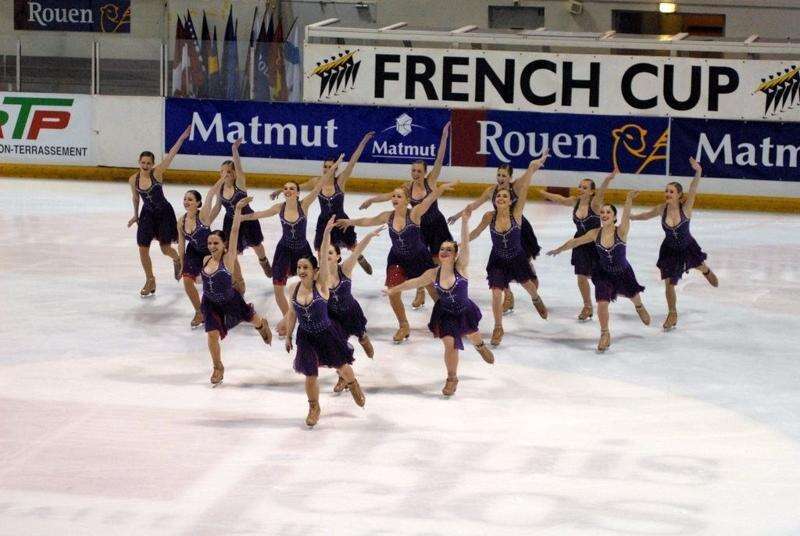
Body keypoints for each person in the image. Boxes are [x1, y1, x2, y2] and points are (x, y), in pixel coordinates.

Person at [385, 208, 494, 396]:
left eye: (449, 250)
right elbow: (413, 283)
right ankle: (452, 378)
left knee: (472, 334)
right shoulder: (432, 273)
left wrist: (465, 222)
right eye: (442, 249)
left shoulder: (461, 267)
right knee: (450, 344)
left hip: (464, 310)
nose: (444, 252)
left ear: (455, 254)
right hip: (445, 314)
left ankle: (480, 346)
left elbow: (465, 243)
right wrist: (393, 290)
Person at [336, 181, 458, 343]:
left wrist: (440, 189)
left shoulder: (414, 214)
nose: (394, 198)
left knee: (433, 291)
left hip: (419, 258)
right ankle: (404, 326)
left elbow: (428, 201)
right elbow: (369, 220)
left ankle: (446, 318)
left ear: (407, 200)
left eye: (399, 196)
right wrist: (350, 222)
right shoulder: (388, 216)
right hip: (397, 258)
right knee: (393, 291)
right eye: (393, 196)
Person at [283, 217, 366, 427]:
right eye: (299, 267)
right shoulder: (292, 288)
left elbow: (322, 257)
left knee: (342, 366)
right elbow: (292, 313)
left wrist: (327, 232)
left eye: (306, 267)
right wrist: (288, 335)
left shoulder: (321, 285)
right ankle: (314, 407)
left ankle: (353, 383)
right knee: (310, 374)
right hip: (306, 336)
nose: (301, 271)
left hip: (326, 334)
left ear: (315, 271)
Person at [359, 122, 452, 309]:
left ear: (425, 172)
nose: (416, 174)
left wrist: (444, 136)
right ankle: (420, 292)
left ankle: (439, 291)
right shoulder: (407, 187)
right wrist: (372, 200)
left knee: (435, 262)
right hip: (418, 227)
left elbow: (440, 158)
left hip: (437, 226)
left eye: (419, 171)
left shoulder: (431, 181)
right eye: (413, 170)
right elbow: (389, 195)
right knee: (422, 261)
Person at [548, 191, 650, 352]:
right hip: (603, 273)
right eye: (602, 212)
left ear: (614, 217)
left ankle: (639, 307)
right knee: (602, 303)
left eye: (608, 212)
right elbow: (575, 242)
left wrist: (629, 199)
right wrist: (559, 249)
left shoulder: (621, 231)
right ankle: (605, 334)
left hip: (623, 272)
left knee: (633, 296)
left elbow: (626, 215)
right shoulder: (595, 233)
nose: (604, 214)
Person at [240, 157, 341, 321]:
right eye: (285, 188)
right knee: (278, 286)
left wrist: (334, 167)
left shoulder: (304, 205)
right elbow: (258, 214)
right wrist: (242, 217)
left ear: (298, 193)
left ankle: (322, 310)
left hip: (302, 249)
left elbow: (321, 183)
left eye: (292, 188)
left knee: (316, 280)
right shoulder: (279, 208)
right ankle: (288, 319)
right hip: (284, 250)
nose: (288, 190)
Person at [468, 154, 550, 346]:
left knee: (528, 285)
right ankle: (498, 327)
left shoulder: (517, 214)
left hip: (517, 258)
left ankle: (536, 299)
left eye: (505, 196)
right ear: (495, 200)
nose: (501, 197)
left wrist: (532, 167)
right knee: (496, 292)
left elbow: (525, 187)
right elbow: (476, 232)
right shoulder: (489, 216)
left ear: (510, 200)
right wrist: (462, 243)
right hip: (497, 259)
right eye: (499, 196)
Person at [447, 162, 548, 314]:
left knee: (522, 265)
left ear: (510, 177)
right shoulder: (491, 192)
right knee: (500, 263)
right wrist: (457, 216)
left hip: (519, 229)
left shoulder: (516, 187)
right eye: (499, 175)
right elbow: (474, 205)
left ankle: (528, 276)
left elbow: (529, 175)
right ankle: (508, 296)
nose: (500, 178)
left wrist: (536, 163)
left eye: (504, 175)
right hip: (499, 229)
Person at [630, 157, 718, 330]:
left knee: (697, 265)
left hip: (687, 247)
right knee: (669, 282)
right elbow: (647, 215)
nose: (667, 194)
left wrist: (698, 171)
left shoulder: (686, 208)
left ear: (679, 195)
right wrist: (631, 217)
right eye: (666, 191)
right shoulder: (661, 209)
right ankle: (672, 313)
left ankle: (705, 270)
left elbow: (693, 188)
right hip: (669, 250)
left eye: (671, 192)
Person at [270, 132, 376, 274]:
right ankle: (322, 274)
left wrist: (364, 141)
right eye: (325, 166)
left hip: (340, 219)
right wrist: (280, 190)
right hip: (324, 221)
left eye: (329, 167)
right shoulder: (316, 182)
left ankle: (360, 257)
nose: (326, 169)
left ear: (335, 168)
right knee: (321, 250)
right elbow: (297, 187)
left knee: (352, 246)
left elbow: (353, 161)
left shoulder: (340, 181)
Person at [201, 197, 272, 385]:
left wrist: (238, 209)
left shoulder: (229, 258)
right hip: (209, 303)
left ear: (224, 245)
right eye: (210, 243)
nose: (212, 246)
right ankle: (218, 367)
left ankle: (261, 326)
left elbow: (234, 231)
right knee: (212, 334)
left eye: (216, 243)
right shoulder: (206, 260)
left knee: (251, 318)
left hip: (230, 300)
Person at [537, 169, 617, 320]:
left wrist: (608, 179)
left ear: (591, 191)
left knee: (598, 277)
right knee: (581, 276)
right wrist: (544, 193)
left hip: (595, 244)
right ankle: (587, 306)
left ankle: (609, 295)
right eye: (580, 186)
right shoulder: (575, 201)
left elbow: (601, 193)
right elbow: (561, 199)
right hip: (579, 243)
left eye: (585, 188)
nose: (580, 189)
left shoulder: (595, 204)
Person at [127, 125, 190, 296]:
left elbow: (171, 155)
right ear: (139, 162)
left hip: (163, 214)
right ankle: (150, 280)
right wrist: (135, 215)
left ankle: (177, 259)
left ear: (153, 164)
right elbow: (136, 198)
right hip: (147, 214)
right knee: (142, 247)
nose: (145, 165)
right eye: (143, 162)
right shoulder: (133, 179)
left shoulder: (158, 173)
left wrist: (182, 138)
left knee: (165, 248)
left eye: (148, 163)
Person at [325, 226, 384, 393]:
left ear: (338, 256)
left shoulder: (345, 269)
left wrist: (369, 235)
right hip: (333, 317)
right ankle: (343, 377)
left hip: (351, 312)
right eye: (324, 253)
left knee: (361, 335)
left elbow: (357, 251)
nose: (327, 255)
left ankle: (363, 338)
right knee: (337, 347)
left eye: (331, 253)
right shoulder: (319, 275)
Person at [209, 139, 271, 292]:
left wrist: (234, 150)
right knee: (231, 252)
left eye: (229, 172)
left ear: (235, 173)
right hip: (231, 222)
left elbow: (238, 166)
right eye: (222, 172)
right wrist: (206, 222)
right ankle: (239, 281)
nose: (226, 174)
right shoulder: (220, 189)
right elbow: (217, 207)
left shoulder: (240, 184)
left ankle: (263, 261)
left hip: (248, 219)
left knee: (257, 245)